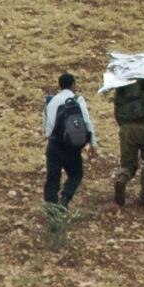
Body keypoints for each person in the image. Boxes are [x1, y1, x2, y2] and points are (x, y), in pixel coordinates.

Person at [42, 72, 98, 208]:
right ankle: (66, 197)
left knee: (52, 178)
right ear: (73, 84)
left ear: (59, 86)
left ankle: (51, 208)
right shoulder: (77, 100)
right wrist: (93, 143)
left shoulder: (51, 101)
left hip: (54, 145)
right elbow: (86, 121)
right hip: (71, 147)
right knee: (76, 174)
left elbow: (47, 129)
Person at [111, 79, 144, 206]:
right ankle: (143, 194)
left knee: (127, 164)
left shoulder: (121, 85)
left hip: (125, 128)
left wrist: (123, 125)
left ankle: (122, 179)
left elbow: (117, 108)